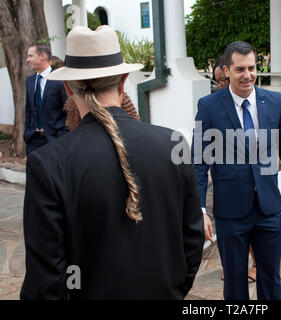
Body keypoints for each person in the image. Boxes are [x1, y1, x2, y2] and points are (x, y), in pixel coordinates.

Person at [20, 25, 204, 300]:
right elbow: (191, 240)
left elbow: (47, 280)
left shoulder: (48, 163)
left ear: (68, 89)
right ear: (123, 81)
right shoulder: (173, 144)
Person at [192, 41, 281, 300]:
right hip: (230, 214)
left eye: (252, 68)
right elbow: (199, 162)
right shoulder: (209, 107)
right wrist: (199, 210)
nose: (247, 75)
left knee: (270, 281)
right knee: (235, 286)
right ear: (226, 71)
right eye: (239, 69)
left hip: (268, 209)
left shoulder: (274, 102)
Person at [207, 55, 257, 283]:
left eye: (224, 80)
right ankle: (233, 268)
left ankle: (256, 266)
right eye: (218, 81)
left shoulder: (258, 103)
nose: (222, 85)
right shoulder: (212, 106)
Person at [24, 44, 68, 156]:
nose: (27, 60)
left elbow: (69, 109)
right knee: (33, 173)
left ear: (42, 56)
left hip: (54, 139)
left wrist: (62, 135)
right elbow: (28, 110)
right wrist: (27, 133)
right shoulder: (30, 81)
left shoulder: (59, 79)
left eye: (30, 56)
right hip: (33, 140)